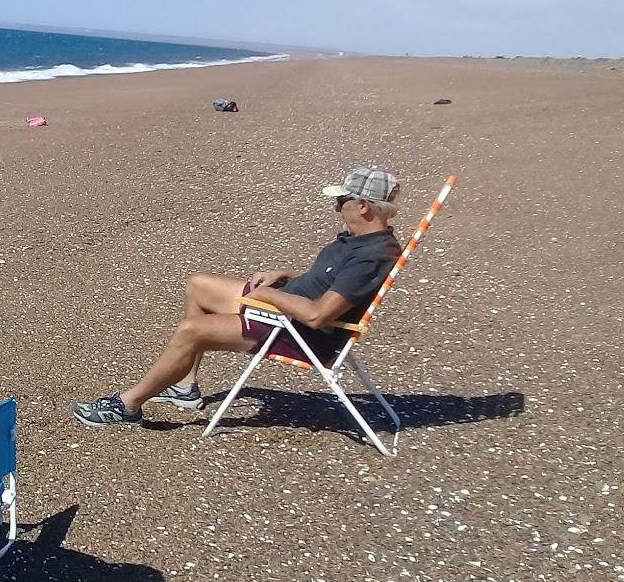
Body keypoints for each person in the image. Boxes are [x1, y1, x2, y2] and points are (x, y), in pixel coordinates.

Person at [73, 165, 403, 428]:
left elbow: (319, 315)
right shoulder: (359, 241)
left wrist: (270, 297)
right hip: (286, 310)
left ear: (362, 206)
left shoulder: (369, 256)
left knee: (192, 330)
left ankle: (129, 405)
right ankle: (185, 388)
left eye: (341, 200)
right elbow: (330, 282)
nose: (335, 206)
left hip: (299, 333)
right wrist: (287, 277)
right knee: (198, 285)